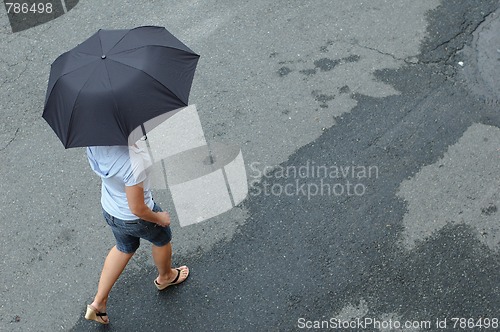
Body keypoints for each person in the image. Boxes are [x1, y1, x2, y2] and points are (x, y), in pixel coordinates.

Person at [84, 142, 189, 325]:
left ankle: (98, 303)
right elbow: (138, 208)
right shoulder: (133, 160)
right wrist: (158, 218)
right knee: (162, 239)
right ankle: (166, 277)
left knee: (124, 248)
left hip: (111, 210)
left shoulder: (94, 143)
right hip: (135, 218)